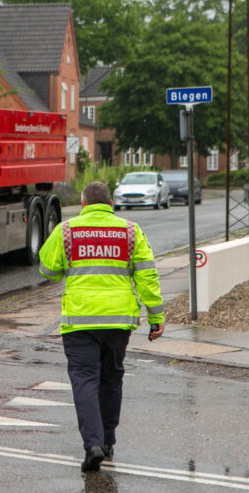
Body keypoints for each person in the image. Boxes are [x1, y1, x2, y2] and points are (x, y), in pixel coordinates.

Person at [38, 181, 165, 471]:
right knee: (111, 378)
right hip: (119, 321)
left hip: (79, 321)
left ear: (83, 205)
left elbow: (47, 270)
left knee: (85, 380)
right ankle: (108, 441)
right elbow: (147, 276)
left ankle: (92, 445)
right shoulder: (131, 231)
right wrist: (156, 316)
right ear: (111, 204)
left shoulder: (68, 230)